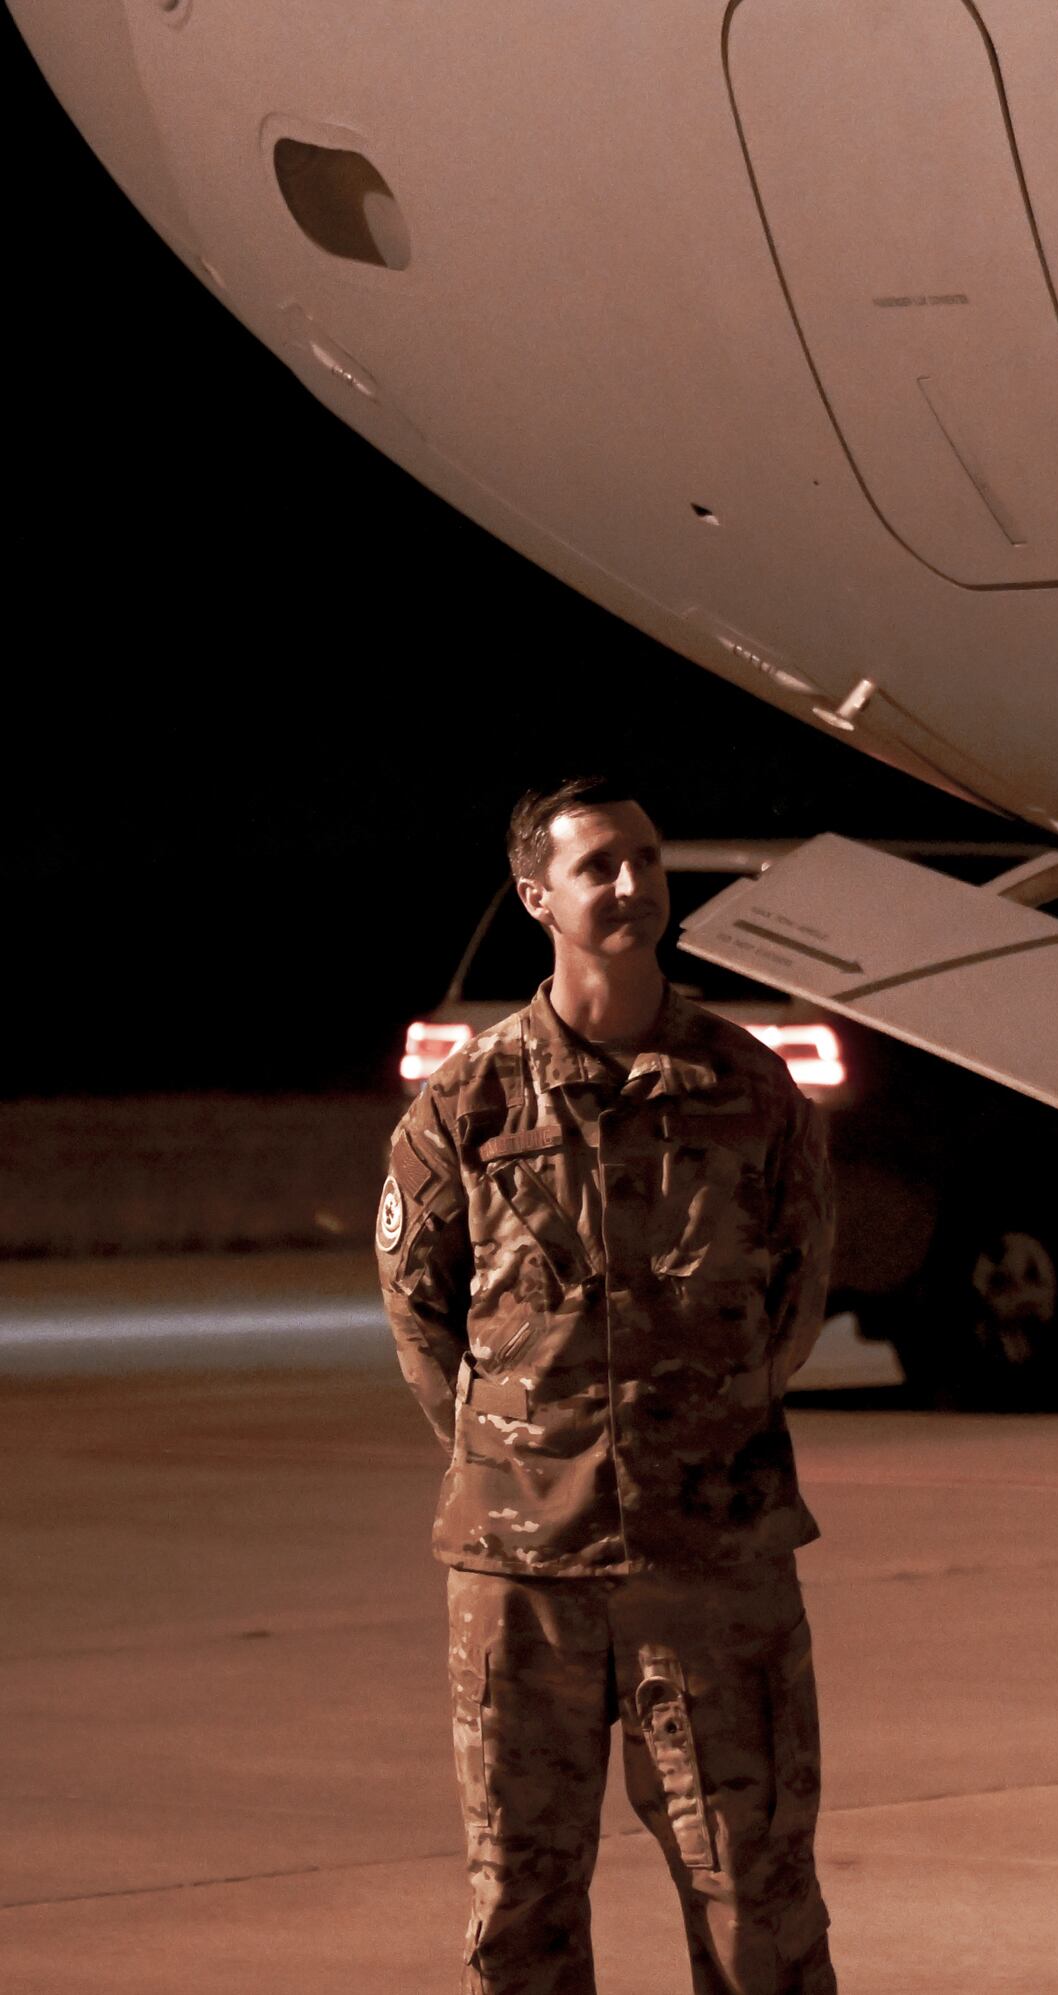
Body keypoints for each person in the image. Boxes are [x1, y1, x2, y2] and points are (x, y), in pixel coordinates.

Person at [378, 778, 839, 1994]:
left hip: (714, 1561)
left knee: (759, 1894)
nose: (633, 884)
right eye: (600, 867)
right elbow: (421, 1319)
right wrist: (523, 1462)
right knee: (521, 1902)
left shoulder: (750, 1088)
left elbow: (795, 1296)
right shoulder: (467, 1102)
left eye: (646, 858)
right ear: (537, 896)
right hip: (522, 1576)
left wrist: (700, 1432)